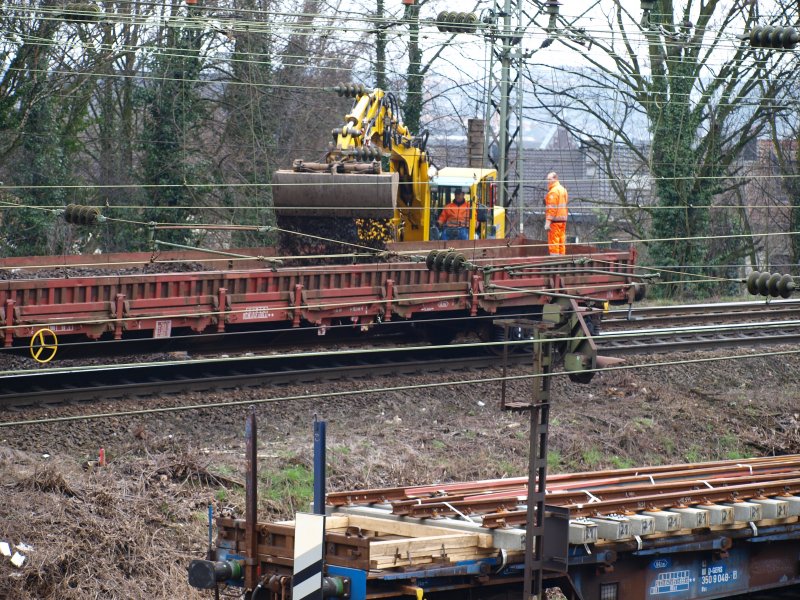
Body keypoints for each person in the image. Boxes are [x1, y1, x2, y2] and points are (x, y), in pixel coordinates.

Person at [544, 171, 568, 255]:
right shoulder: (563, 189)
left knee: (554, 241)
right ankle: (562, 259)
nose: (548, 181)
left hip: (555, 222)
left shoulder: (553, 192)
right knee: (561, 241)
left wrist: (548, 222)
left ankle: (555, 260)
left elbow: (551, 209)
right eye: (547, 179)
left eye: (550, 179)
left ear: (555, 179)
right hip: (563, 220)